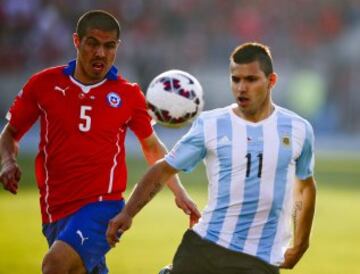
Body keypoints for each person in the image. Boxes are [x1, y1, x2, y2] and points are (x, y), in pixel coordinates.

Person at [0, 10, 200, 274]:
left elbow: (152, 147)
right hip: (54, 210)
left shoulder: (127, 94)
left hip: (103, 207)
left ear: (118, 47)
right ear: (77, 41)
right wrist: (7, 161)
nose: (101, 53)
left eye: (109, 46)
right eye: (93, 43)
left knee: (55, 265)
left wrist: (180, 192)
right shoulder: (44, 84)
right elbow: (9, 133)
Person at [106, 42, 317, 274]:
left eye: (251, 79)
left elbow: (304, 188)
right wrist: (128, 212)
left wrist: (301, 243)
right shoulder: (211, 124)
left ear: (271, 81)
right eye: (236, 79)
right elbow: (163, 169)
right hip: (204, 246)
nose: (241, 88)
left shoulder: (298, 129)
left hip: (259, 259)